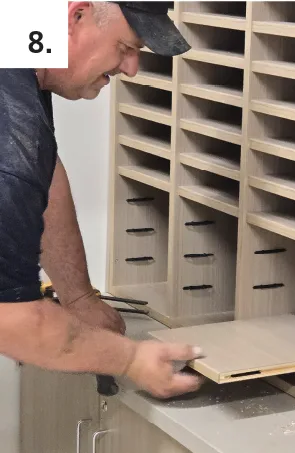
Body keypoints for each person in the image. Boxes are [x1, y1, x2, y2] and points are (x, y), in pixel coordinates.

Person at [0, 2, 204, 399]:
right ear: (77, 16)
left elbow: (44, 169)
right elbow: (15, 322)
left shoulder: (17, 44)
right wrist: (130, 359)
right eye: (126, 48)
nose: (131, 69)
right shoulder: (10, 143)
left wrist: (77, 296)